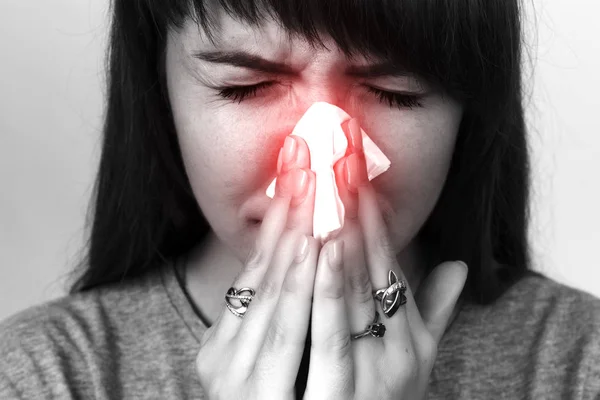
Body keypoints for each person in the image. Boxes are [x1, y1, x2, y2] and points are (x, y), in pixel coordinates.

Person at [1, 0, 599, 398]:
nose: (327, 165)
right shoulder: (42, 376)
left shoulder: (577, 364)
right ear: (160, 91)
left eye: (395, 92)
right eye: (248, 87)